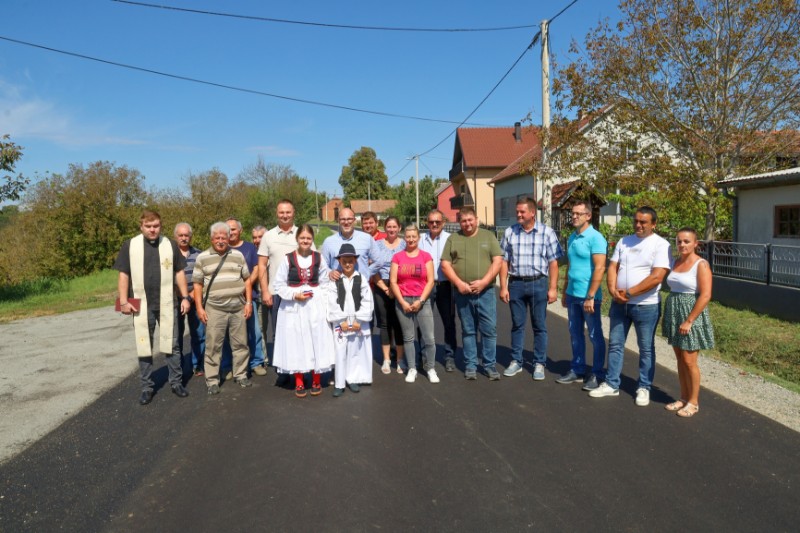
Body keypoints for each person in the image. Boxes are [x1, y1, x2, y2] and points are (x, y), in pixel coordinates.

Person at [589, 206, 671, 406]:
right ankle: (611, 383)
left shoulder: (661, 244)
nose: (638, 225)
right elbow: (613, 267)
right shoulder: (624, 241)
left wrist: (630, 293)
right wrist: (612, 290)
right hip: (619, 304)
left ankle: (644, 386)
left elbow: (657, 276)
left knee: (645, 348)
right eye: (636, 221)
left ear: (653, 224)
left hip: (646, 306)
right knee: (616, 344)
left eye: (643, 222)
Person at [113, 210, 191, 405]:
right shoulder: (130, 246)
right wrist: (123, 301)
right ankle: (147, 387)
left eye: (155, 225)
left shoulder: (170, 245)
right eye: (148, 226)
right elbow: (124, 275)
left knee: (172, 345)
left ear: (160, 226)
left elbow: (179, 272)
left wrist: (185, 297)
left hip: (167, 303)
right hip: (141, 305)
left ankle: (176, 382)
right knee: (143, 344)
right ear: (141, 227)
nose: (152, 229)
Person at [499, 197, 563, 381]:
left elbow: (553, 263)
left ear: (532, 213)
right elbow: (504, 261)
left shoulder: (546, 233)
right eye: (517, 211)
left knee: (539, 326)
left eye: (522, 212)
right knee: (517, 325)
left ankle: (539, 363)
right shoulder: (510, 232)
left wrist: (552, 288)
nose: (518, 214)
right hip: (516, 283)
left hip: (538, 283)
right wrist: (503, 286)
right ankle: (516, 361)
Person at [272, 225, 336, 398]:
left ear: (312, 239)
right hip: (293, 306)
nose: (305, 241)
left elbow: (324, 281)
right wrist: (294, 295)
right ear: (297, 239)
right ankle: (299, 381)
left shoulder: (318, 258)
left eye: (308, 238)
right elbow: (279, 285)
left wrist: (322, 300)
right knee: (296, 342)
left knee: (317, 340)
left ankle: (316, 379)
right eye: (302, 238)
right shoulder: (288, 259)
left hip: (315, 305)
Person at [441, 207, 504, 380]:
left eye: (470, 220)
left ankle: (490, 365)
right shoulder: (454, 239)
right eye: (463, 221)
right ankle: (470, 366)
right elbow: (445, 264)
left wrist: (483, 282)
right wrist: (459, 283)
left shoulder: (488, 236)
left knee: (489, 330)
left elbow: (497, 261)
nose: (467, 224)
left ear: (476, 219)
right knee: (468, 330)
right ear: (459, 222)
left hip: (486, 292)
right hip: (463, 292)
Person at [192, 222, 253, 395]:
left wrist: (248, 303)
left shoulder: (238, 255)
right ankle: (212, 380)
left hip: (238, 307)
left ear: (229, 238)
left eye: (223, 237)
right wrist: (199, 308)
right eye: (217, 237)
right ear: (211, 239)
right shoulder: (202, 258)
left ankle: (241, 374)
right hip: (214, 309)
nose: (220, 240)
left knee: (240, 343)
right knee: (213, 345)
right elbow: (197, 284)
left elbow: (247, 279)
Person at [662, 228, 714, 418]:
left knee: (690, 361)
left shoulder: (701, 264)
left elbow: (706, 294)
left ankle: (694, 402)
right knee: (680, 359)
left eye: (686, 241)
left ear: (695, 244)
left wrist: (689, 320)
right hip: (674, 310)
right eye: (679, 241)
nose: (682, 245)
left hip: (691, 314)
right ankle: (683, 398)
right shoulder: (676, 262)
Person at [557, 200, 607, 390]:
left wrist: (591, 295)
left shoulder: (596, 238)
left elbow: (600, 267)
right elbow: (570, 265)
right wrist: (565, 290)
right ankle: (577, 369)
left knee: (595, 335)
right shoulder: (572, 237)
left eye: (579, 213)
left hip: (589, 296)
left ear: (588, 216)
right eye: (573, 213)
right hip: (572, 294)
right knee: (575, 334)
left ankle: (596, 373)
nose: (574, 216)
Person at [258, 200, 308, 366]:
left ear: (293, 213)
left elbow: (314, 260)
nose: (285, 215)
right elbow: (262, 265)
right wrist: (265, 291)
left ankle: (300, 366)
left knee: (299, 331)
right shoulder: (268, 236)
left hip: (299, 293)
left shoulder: (302, 233)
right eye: (281, 212)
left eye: (288, 212)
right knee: (279, 332)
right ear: (276, 214)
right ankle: (282, 368)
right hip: (276, 293)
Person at [390, 225, 437, 383]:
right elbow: (393, 281)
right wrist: (402, 302)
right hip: (403, 301)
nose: (410, 239)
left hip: (422, 300)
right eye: (408, 237)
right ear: (405, 238)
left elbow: (431, 281)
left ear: (418, 238)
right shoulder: (398, 257)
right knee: (408, 338)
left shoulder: (426, 256)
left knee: (429, 338)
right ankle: (412, 368)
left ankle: (430, 368)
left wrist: (421, 300)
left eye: (413, 237)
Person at [327, 243, 374, 397]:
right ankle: (339, 383)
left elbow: (367, 301)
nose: (347, 264)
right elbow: (332, 302)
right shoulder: (335, 281)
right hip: (342, 324)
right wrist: (341, 321)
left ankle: (352, 378)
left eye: (350, 261)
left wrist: (358, 321)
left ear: (355, 261)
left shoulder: (362, 279)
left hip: (356, 323)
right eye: (344, 261)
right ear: (339, 262)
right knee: (340, 352)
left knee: (354, 352)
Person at [221, 218, 266, 377]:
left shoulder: (250, 248)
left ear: (240, 230)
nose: (230, 232)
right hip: (226, 299)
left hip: (247, 297)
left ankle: (256, 362)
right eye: (228, 229)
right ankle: (228, 365)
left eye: (233, 229)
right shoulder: (221, 247)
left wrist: (243, 287)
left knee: (254, 331)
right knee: (227, 333)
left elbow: (255, 269)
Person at [419, 209, 457, 372]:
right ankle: (425, 357)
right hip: (425, 287)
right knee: (424, 323)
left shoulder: (451, 239)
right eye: (431, 222)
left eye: (438, 222)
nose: (434, 224)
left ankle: (449, 357)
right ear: (426, 223)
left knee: (448, 322)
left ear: (444, 222)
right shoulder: (420, 239)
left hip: (445, 286)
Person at [372, 216, 406, 374]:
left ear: (399, 228)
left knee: (399, 322)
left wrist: (395, 287)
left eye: (394, 226)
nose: (391, 229)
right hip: (381, 285)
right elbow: (372, 268)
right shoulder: (377, 245)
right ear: (384, 228)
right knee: (385, 323)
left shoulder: (405, 245)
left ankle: (400, 359)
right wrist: (385, 288)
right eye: (388, 227)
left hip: (400, 286)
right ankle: (386, 359)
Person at [174, 222, 206, 376]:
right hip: (176, 300)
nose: (184, 238)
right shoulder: (169, 254)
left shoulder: (199, 254)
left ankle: (198, 364)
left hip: (195, 299)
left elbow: (203, 279)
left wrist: (191, 297)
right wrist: (181, 296)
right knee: (176, 335)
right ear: (175, 236)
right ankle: (178, 366)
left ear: (190, 236)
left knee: (199, 333)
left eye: (186, 235)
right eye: (181, 235)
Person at [321, 207, 380, 281]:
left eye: (349, 219)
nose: (346, 222)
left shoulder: (367, 238)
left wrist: (366, 273)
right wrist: (329, 273)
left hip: (360, 287)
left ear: (354, 220)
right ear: (338, 221)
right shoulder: (329, 242)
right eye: (343, 219)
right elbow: (322, 265)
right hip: (337, 287)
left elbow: (379, 261)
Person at [251, 224, 268, 354]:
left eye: (260, 237)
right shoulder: (251, 253)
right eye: (254, 237)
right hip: (258, 296)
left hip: (273, 294)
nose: (257, 240)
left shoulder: (272, 252)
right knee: (260, 329)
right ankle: (264, 358)